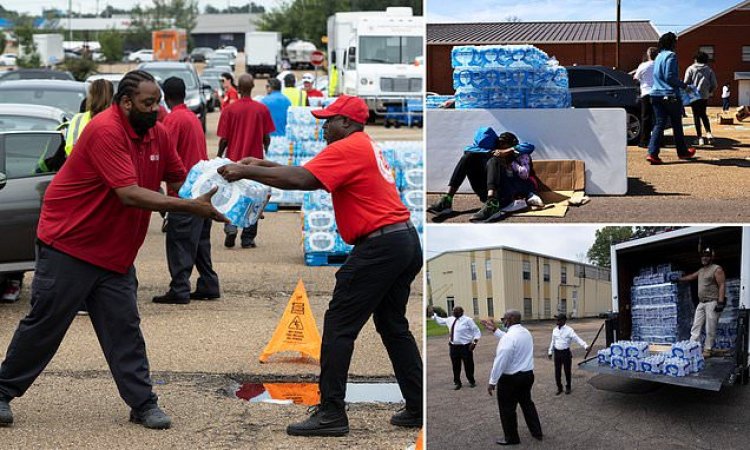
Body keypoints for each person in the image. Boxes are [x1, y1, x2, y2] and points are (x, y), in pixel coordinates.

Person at [0, 70, 227, 429]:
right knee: (45, 325)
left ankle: (143, 403)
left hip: (115, 253)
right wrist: (188, 207)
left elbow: (181, 181)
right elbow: (129, 193)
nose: (155, 110)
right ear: (125, 102)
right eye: (147, 103)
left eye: (158, 103)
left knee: (125, 328)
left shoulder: (159, 135)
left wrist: (226, 183)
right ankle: (2, 391)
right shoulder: (106, 130)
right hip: (70, 244)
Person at [217, 95, 423, 436]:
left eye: (328, 120)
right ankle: (416, 405)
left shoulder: (348, 148)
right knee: (392, 325)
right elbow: (307, 170)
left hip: (381, 246)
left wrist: (245, 169)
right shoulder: (360, 144)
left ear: (347, 123)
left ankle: (331, 413)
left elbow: (302, 180)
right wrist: (261, 164)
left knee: (340, 325)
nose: (323, 126)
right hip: (402, 241)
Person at [152, 77, 220, 305]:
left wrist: (158, 185)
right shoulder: (192, 117)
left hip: (183, 193)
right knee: (200, 242)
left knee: (179, 241)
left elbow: (166, 155)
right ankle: (209, 284)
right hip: (201, 191)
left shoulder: (172, 121)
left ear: (165, 96)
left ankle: (179, 288)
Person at [216, 73, 275, 249]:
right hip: (254, 162)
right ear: (252, 87)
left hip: (233, 161)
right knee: (254, 197)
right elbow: (266, 136)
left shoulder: (229, 110)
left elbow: (224, 139)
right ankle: (248, 238)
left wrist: (220, 156)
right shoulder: (261, 109)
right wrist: (265, 150)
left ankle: (230, 226)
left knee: (232, 195)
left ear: (239, 89)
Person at [488, 310, 543, 446]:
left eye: (504, 318)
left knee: (507, 409)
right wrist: (495, 330)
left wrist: (492, 381)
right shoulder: (525, 333)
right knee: (527, 404)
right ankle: (537, 432)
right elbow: (510, 339)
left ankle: (511, 438)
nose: (503, 321)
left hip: (510, 380)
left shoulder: (509, 337)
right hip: (527, 376)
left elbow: (501, 360)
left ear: (511, 319)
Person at [647, 32, 696, 165]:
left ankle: (652, 153)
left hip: (655, 94)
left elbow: (658, 75)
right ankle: (682, 152)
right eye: (675, 41)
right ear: (672, 43)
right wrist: (684, 86)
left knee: (659, 124)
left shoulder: (658, 57)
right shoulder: (671, 56)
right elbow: (670, 77)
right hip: (669, 95)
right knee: (677, 124)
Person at [470, 138, 541, 222]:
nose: (501, 148)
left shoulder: (521, 155)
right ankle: (497, 202)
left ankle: (524, 197)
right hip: (512, 184)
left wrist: (511, 162)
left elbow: (524, 174)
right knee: (495, 166)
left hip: (525, 183)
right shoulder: (498, 158)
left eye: (504, 145)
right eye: (500, 146)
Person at [675, 247, 726, 358]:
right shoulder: (701, 270)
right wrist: (679, 279)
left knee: (710, 327)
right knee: (696, 325)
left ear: (711, 257)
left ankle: (708, 349)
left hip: (712, 302)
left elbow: (722, 285)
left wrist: (721, 302)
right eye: (703, 256)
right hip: (701, 303)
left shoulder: (717, 269)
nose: (704, 258)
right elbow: (692, 276)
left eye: (707, 256)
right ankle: (693, 346)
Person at [427, 305, 481, 390]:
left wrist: (474, 342)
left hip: (465, 346)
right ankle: (457, 382)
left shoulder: (468, 320)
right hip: (453, 347)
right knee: (455, 365)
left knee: (468, 364)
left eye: (456, 311)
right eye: (453, 311)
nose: (454, 313)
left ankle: (471, 380)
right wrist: (433, 314)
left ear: (461, 312)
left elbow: (477, 331)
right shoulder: (450, 319)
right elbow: (441, 321)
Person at [65, 78, 115, 155]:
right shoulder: (118, 119)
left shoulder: (79, 119)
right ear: (112, 97)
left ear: (91, 97)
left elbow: (71, 150)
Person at [547, 314, 588, 395]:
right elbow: (553, 341)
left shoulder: (569, 330)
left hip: (566, 353)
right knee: (557, 372)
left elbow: (577, 339)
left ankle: (568, 387)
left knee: (567, 371)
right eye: (557, 320)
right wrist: (550, 351)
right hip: (557, 353)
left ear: (564, 321)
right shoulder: (554, 330)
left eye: (559, 320)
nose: (557, 321)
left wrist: (585, 346)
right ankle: (559, 387)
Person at [684, 51, 718, 146]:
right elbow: (715, 84)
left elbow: (686, 82)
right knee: (703, 114)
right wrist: (709, 91)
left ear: (696, 59)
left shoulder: (690, 69)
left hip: (694, 95)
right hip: (704, 95)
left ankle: (700, 138)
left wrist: (688, 92)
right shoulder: (709, 70)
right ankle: (709, 134)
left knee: (696, 116)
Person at [634, 47, 658, 148]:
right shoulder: (660, 65)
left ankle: (644, 141)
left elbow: (636, 77)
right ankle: (658, 141)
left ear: (648, 55)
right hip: (658, 93)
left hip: (646, 93)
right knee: (658, 118)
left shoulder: (643, 65)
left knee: (646, 118)